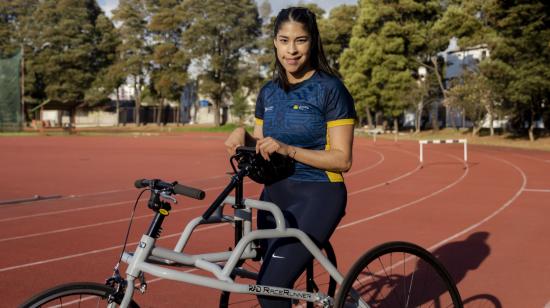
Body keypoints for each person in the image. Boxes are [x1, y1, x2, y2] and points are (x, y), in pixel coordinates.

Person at [224, 6, 356, 307]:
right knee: (272, 287)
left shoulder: (330, 89)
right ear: (274, 42)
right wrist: (243, 135)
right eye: (284, 40)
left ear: (313, 42)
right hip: (274, 197)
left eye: (301, 40)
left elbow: (342, 160)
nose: (292, 50)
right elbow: (262, 144)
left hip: (318, 195)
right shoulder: (268, 93)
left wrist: (289, 149)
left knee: (270, 290)